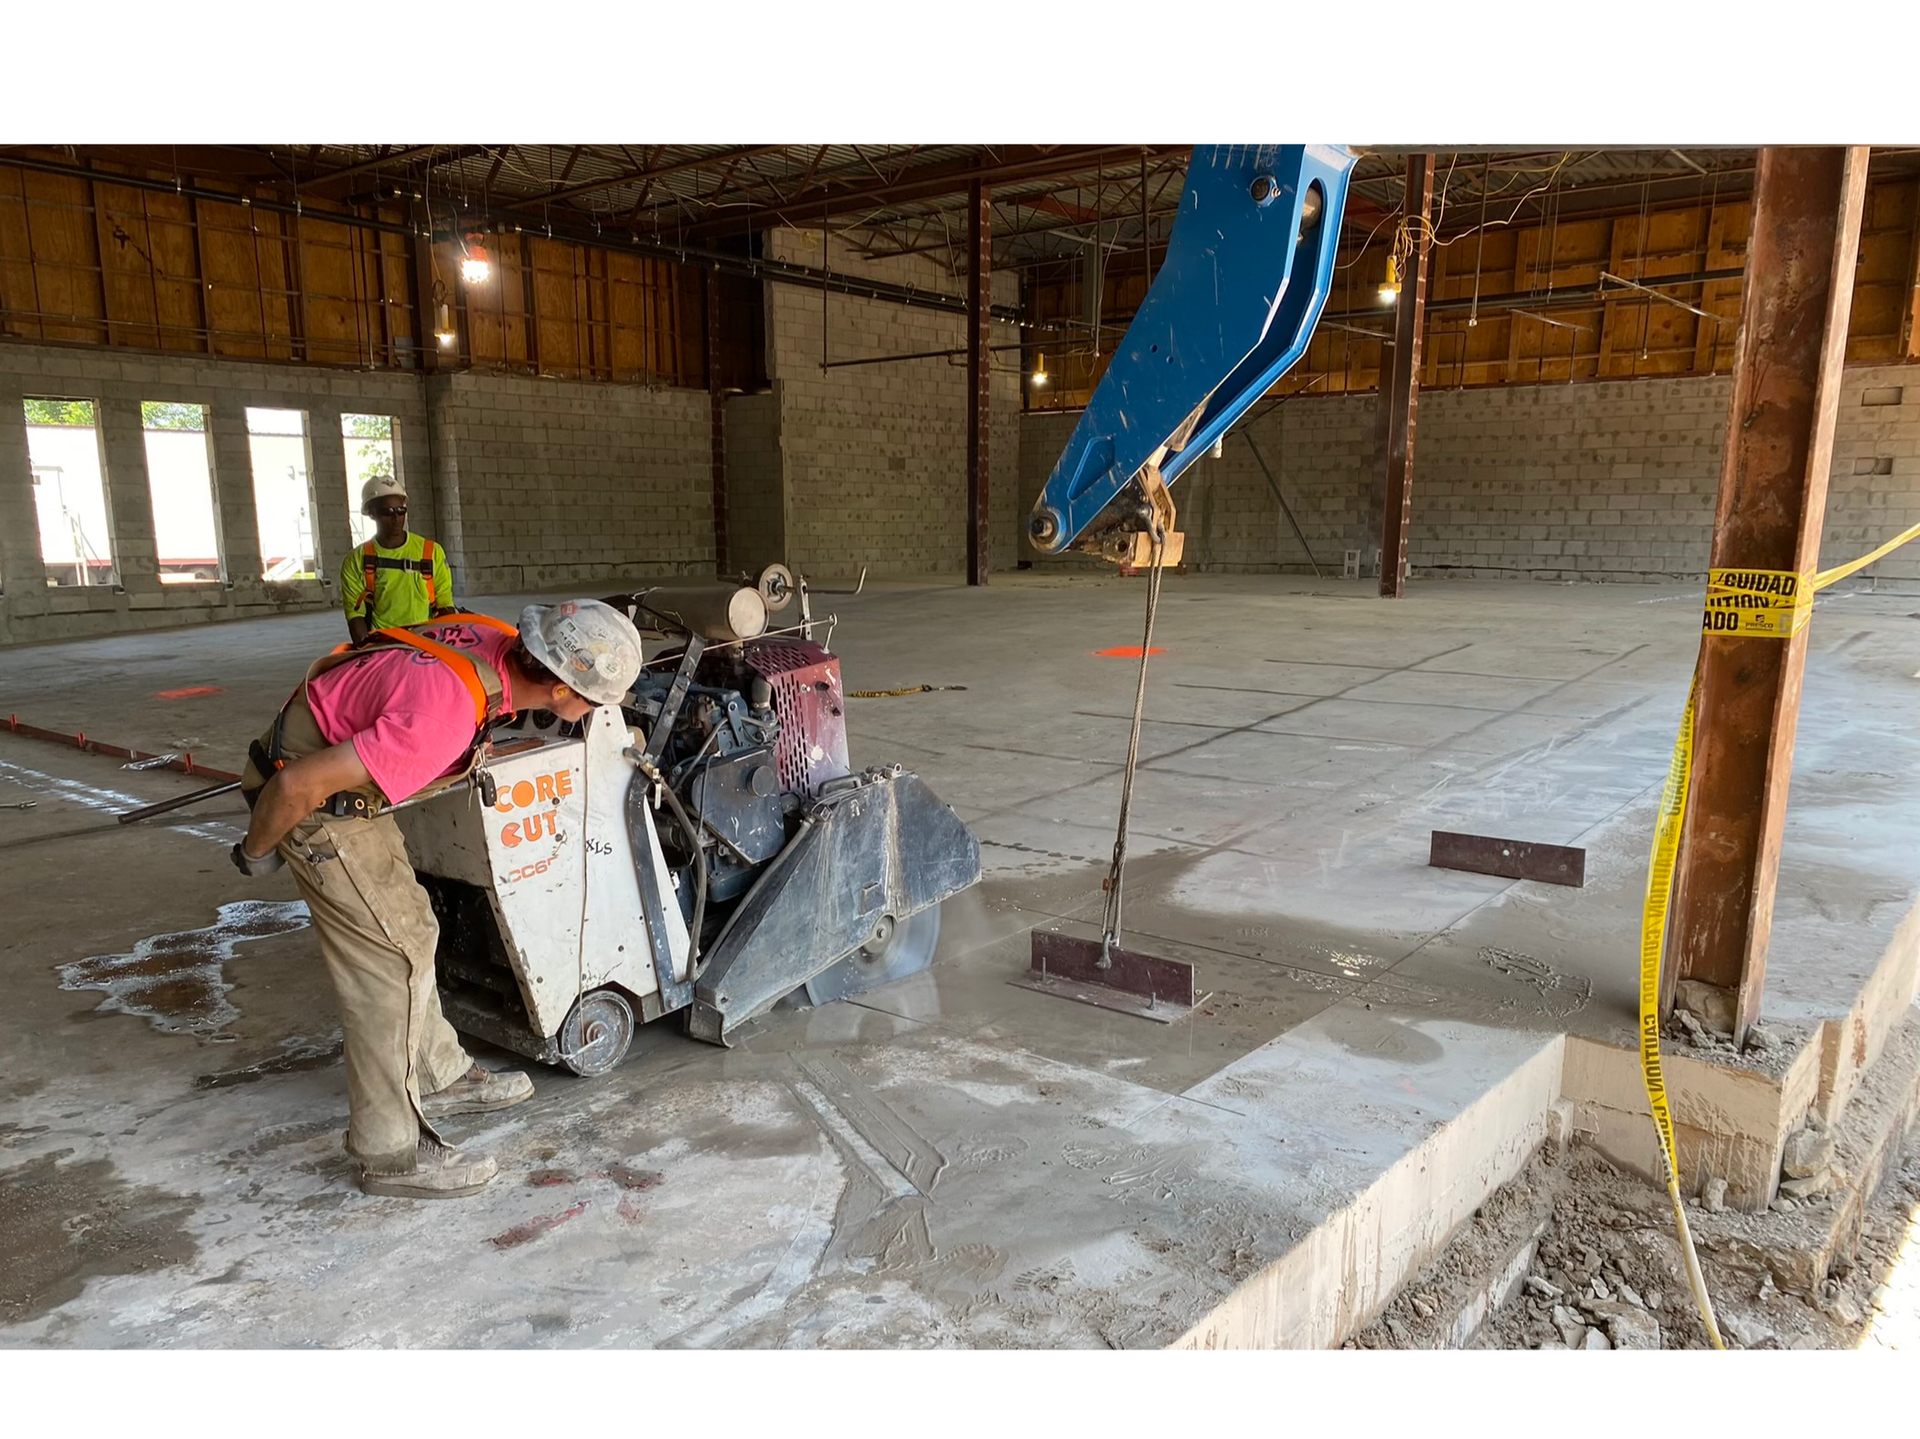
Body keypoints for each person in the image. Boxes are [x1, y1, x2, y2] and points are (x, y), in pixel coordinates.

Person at [232, 600, 645, 1199]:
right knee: (388, 965)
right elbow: (296, 785)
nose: (597, 710)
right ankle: (390, 1153)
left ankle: (437, 1073)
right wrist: (258, 849)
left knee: (414, 930)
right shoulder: (444, 715)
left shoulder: (492, 638)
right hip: (307, 798)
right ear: (561, 691)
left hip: (344, 779)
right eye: (596, 700)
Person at [340, 474, 457, 643]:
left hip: (426, 642)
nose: (396, 518)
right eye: (387, 512)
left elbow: (445, 602)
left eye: (401, 511)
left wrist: (447, 643)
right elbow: (355, 615)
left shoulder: (431, 552)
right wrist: (368, 650)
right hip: (383, 643)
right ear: (371, 513)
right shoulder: (356, 561)